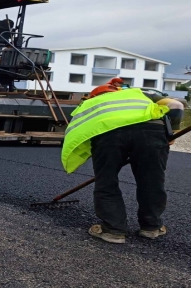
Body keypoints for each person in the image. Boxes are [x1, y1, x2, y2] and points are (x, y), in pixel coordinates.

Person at [61, 78, 184, 244]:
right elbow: (177, 106)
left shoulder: (88, 104)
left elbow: (79, 132)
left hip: (108, 133)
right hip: (151, 131)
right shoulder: (139, 95)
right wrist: (171, 135)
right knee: (152, 180)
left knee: (106, 180)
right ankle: (151, 227)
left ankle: (113, 230)